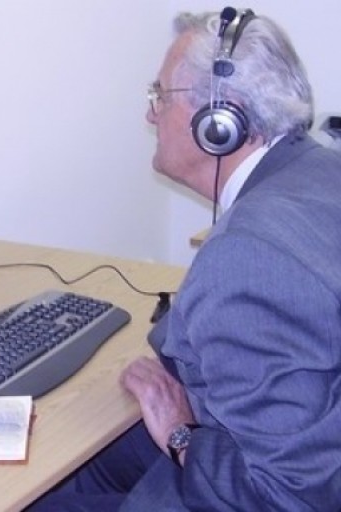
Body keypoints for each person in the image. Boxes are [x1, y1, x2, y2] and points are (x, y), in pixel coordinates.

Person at [26, 7, 341, 511]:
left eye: (161, 96)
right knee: (74, 468)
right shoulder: (322, 167)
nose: (150, 115)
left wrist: (179, 433)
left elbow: (283, 496)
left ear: (219, 122)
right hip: (295, 442)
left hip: (265, 489)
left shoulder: (250, 254)